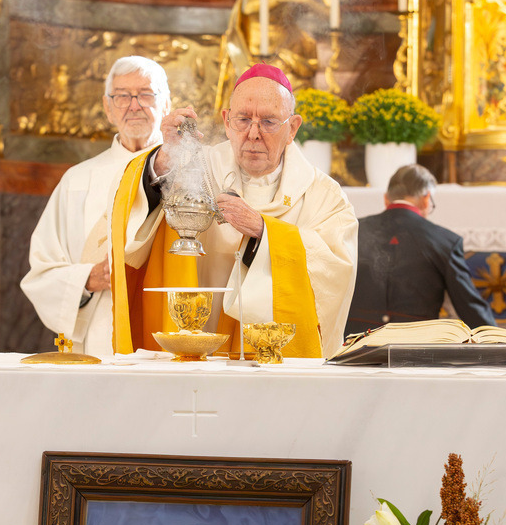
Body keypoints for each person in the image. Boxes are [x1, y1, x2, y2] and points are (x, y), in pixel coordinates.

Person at [110, 63, 358, 359]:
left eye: (268, 122)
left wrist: (264, 232)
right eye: (243, 119)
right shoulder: (196, 168)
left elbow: (336, 273)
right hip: (195, 357)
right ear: (227, 121)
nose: (253, 133)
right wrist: (165, 157)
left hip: (275, 366)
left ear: (292, 128)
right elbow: (130, 218)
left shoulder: (324, 196)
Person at [21, 55, 171, 355]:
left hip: (167, 324)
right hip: (100, 335)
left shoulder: (185, 173)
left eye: (145, 94)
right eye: (122, 96)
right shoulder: (77, 181)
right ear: (107, 107)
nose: (134, 105)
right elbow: (41, 272)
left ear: (166, 104)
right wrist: (86, 279)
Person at [345, 164, 496, 337]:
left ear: (386, 198)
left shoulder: (352, 231)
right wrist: (501, 344)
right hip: (416, 347)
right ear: (426, 199)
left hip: (354, 345)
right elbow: (469, 306)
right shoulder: (445, 241)